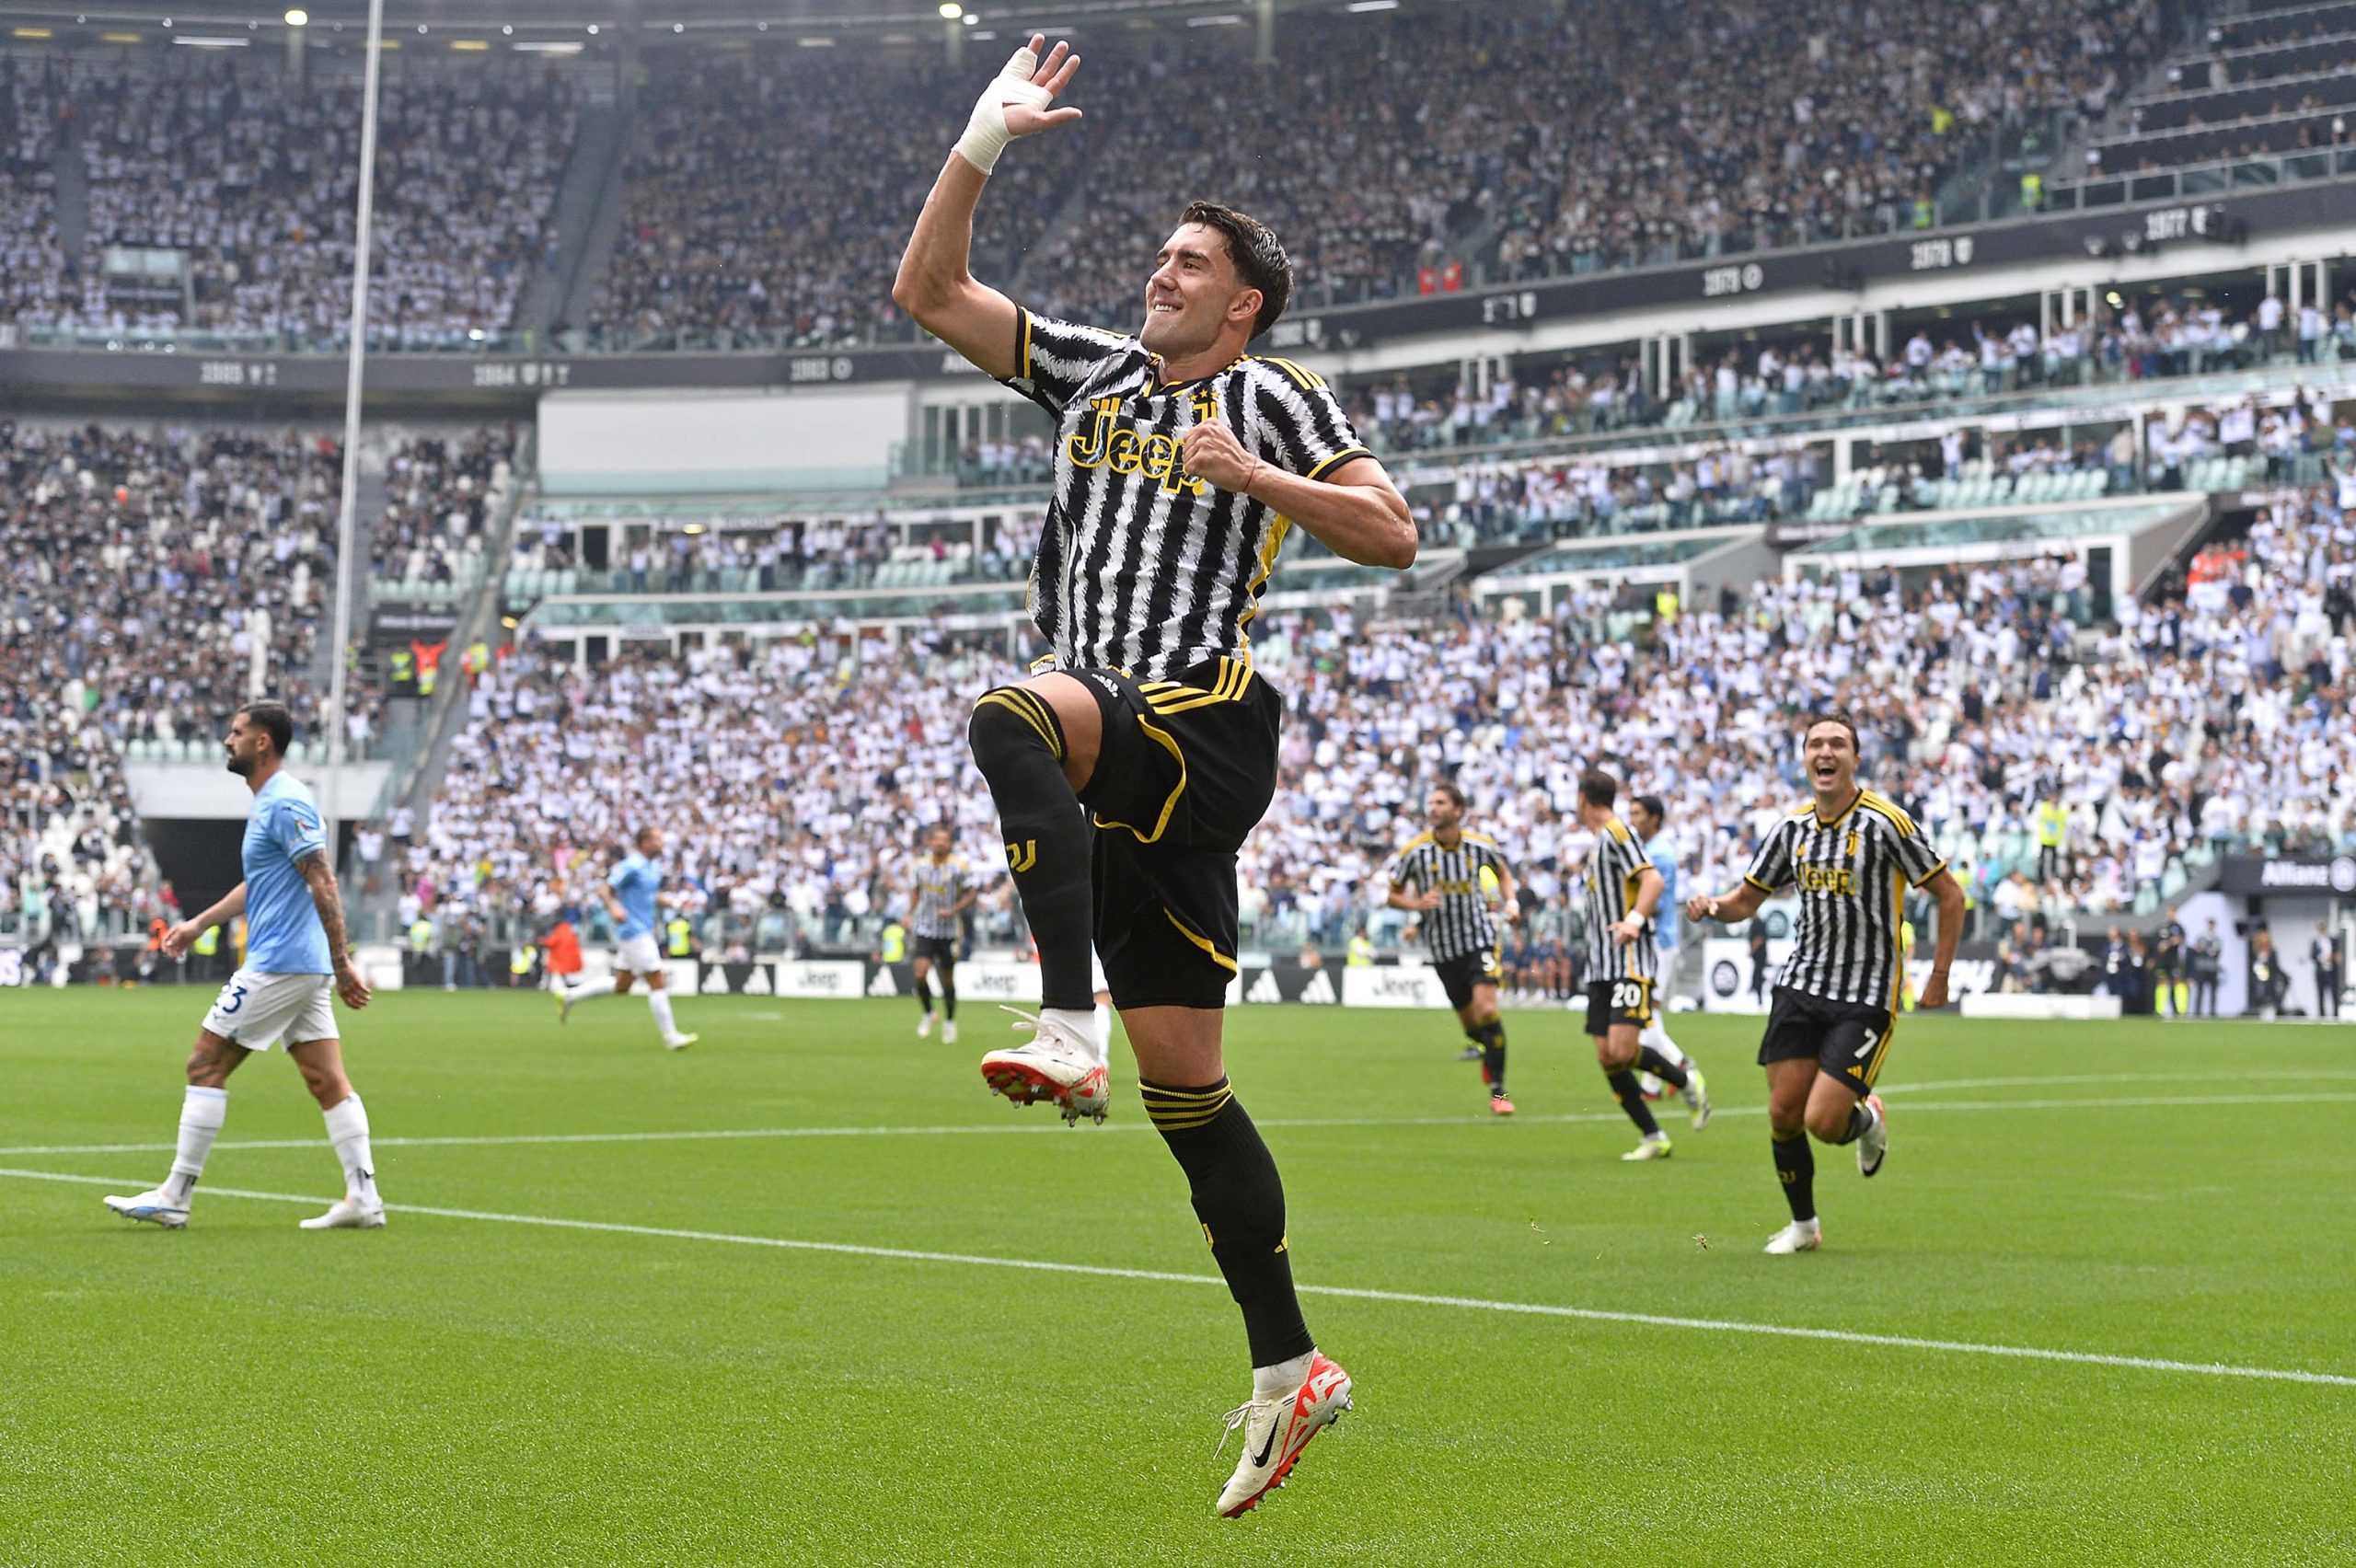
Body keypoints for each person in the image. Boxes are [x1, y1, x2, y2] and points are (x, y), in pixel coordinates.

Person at [893, 35, 1414, 1517]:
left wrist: (1259, 480)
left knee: (1008, 715)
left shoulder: (1275, 395)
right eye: (1163, 256)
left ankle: (1065, 1022)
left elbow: (1393, 535)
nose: (1161, 272)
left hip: (1200, 719)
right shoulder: (1091, 371)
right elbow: (929, 293)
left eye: (1190, 263)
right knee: (1188, 1087)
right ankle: (1289, 1365)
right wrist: (981, 138)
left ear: (1241, 302)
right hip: (1123, 762)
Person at [1684, 712, 1963, 1255]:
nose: (1826, 752)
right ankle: (1804, 1226)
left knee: (1823, 1121)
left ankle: (1868, 1119)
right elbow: (1746, 901)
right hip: (1802, 985)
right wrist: (1712, 906)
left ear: (1855, 758)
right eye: (1816, 744)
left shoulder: (1887, 823)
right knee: (1783, 1114)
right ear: (1805, 759)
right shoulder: (1791, 830)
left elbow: (1950, 894)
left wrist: (1940, 976)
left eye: (1838, 743)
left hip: (1867, 994)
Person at [106, 701, 382, 1230]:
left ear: (262, 742)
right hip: (299, 965)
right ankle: (363, 1197)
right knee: (325, 1079)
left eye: (236, 733)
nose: (227, 741)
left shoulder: (286, 801)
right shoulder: (268, 803)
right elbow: (261, 884)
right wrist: (199, 923)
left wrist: (343, 960)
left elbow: (322, 878)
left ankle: (174, 1195)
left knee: (204, 1064)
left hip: (281, 964)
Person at [1576, 770, 1707, 1159]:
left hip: (1628, 961)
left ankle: (1686, 1080)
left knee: (1622, 1049)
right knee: (1607, 1056)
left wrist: (1633, 921)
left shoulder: (1618, 833)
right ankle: (1653, 1136)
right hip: (1601, 965)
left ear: (1582, 799)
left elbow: (1653, 882)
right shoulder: (1600, 841)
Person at [1383, 781, 1519, 1114]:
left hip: (1480, 938)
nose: (1433, 808)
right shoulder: (1415, 851)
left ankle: (1499, 1094)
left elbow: (1503, 873)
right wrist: (1417, 905)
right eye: (1431, 802)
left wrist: (1512, 901)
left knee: (1487, 1010)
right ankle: (1488, 1051)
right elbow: (1392, 895)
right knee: (1473, 1026)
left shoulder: (1480, 846)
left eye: (1441, 802)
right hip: (1443, 949)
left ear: (1458, 810)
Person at [556, 826, 699, 1050]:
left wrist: (673, 902)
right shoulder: (632, 865)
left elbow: (649, 895)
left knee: (621, 986)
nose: (662, 843)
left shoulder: (652, 867)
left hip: (641, 930)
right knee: (657, 980)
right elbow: (604, 889)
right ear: (645, 843)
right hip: (633, 931)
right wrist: (614, 908)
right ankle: (671, 1037)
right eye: (657, 839)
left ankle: (569, 997)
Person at [1625, 792, 1703, 1091]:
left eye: (1637, 814)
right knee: (1648, 1011)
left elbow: (1654, 902)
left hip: (1659, 940)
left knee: (1647, 1012)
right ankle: (1657, 1081)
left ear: (1654, 818)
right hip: (1652, 940)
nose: (1632, 820)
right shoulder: (1649, 850)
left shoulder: (1660, 855)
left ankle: (1678, 1068)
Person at [907, 823, 978, 1044]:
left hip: (948, 932)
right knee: (920, 973)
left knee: (947, 980)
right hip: (925, 928)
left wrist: (954, 910)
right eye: (937, 839)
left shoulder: (959, 867)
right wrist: (909, 914)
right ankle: (929, 1013)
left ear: (949, 844)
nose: (940, 843)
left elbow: (972, 893)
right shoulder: (920, 866)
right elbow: (916, 891)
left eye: (944, 840)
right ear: (930, 842)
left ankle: (949, 1021)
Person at [2153, 905, 2189, 1019]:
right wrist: (2161, 946)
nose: (2171, 914)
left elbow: (2180, 939)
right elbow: (2157, 942)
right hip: (2163, 960)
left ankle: (2180, 1010)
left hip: (2174, 960)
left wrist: (2168, 943)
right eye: (2169, 912)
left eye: (2173, 912)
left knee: (2177, 982)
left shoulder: (2178, 927)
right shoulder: (2162, 927)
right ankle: (2159, 1009)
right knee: (2162, 982)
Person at [2189, 919, 2223, 1017]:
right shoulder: (2201, 938)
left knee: (2213, 991)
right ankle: (2197, 1012)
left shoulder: (2217, 939)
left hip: (2212, 968)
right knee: (2200, 990)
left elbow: (2217, 952)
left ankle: (2213, 1012)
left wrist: (2211, 951)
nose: (2210, 927)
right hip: (2201, 968)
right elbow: (2197, 949)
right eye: (2209, 925)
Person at [2314, 923, 2344, 1020]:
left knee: (2334, 993)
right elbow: (2312, 955)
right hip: (2320, 972)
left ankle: (2336, 1015)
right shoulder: (2315, 942)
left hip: (2331, 972)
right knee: (2321, 995)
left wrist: (2333, 957)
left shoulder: (2333, 940)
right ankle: (2321, 1016)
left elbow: (2338, 954)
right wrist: (2323, 958)